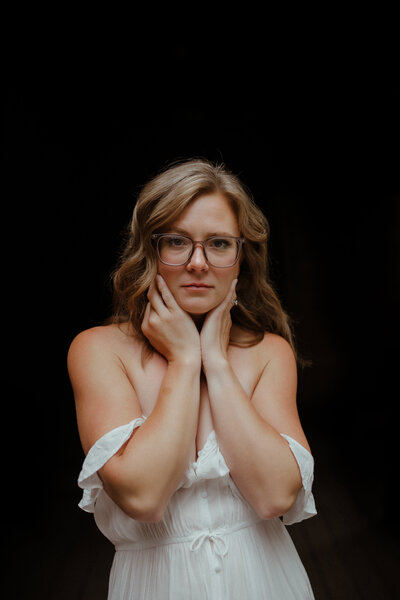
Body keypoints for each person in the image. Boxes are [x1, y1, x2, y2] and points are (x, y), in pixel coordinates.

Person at [67, 158, 317, 599]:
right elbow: (143, 497)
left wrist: (216, 364)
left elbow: (275, 495)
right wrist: (184, 359)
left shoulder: (268, 353)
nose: (198, 263)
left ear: (241, 255)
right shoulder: (98, 351)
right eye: (178, 242)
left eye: (218, 243)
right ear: (149, 249)